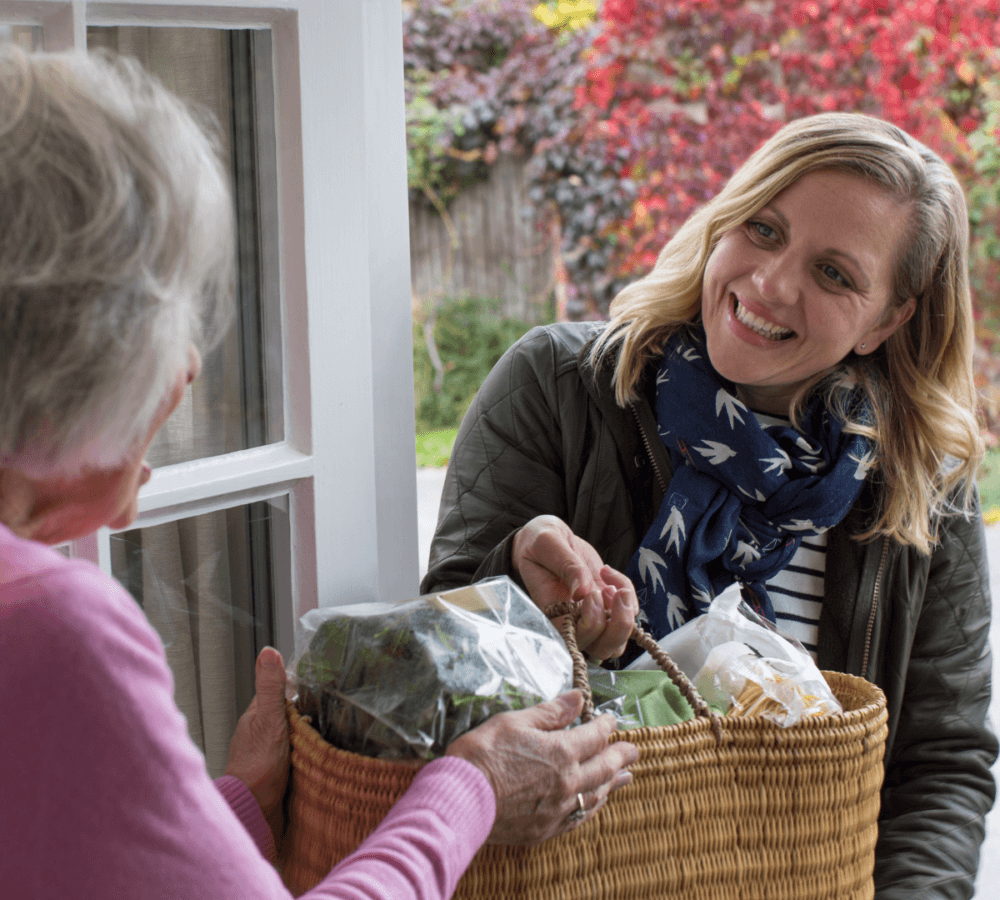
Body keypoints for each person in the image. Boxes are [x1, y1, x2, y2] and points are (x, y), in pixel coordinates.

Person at [0, 48, 639, 900]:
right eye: (174, 308)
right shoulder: (49, 626)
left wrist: (230, 810)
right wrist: (473, 789)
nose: (189, 367)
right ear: (70, 346)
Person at [423, 112, 998, 899]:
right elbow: (435, 669)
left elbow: (941, 764)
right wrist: (518, 581)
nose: (770, 282)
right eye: (763, 229)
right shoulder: (558, 388)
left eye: (835, 274)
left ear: (889, 318)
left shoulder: (922, 484)